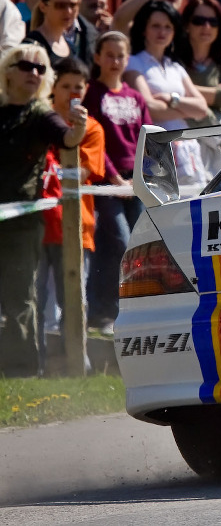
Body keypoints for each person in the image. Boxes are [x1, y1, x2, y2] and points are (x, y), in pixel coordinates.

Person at [0, 43, 88, 377]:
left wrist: (78, 127)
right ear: (8, 72)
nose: (34, 74)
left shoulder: (40, 113)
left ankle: (21, 371)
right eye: (26, 66)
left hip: (21, 223)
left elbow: (67, 139)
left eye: (40, 69)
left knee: (19, 300)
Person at [36, 56, 105, 360]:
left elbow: (81, 172)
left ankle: (77, 362)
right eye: (66, 86)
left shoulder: (93, 128)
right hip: (38, 224)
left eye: (79, 87)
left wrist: (74, 132)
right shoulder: (38, 122)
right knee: (35, 298)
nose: (73, 93)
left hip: (76, 226)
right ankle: (35, 361)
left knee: (74, 300)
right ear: (53, 87)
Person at [83, 31, 150, 330]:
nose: (114, 61)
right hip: (106, 184)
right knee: (118, 241)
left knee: (138, 247)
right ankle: (102, 310)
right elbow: (94, 141)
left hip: (136, 183)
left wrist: (142, 177)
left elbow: (148, 138)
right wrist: (115, 179)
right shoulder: (92, 93)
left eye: (120, 55)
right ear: (97, 57)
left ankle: (129, 310)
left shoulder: (135, 97)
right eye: (108, 55)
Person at [125, 0, 211, 186]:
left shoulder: (176, 68)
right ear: (143, 29)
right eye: (155, 26)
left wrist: (171, 99)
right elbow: (150, 108)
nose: (162, 32)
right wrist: (187, 109)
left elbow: (202, 108)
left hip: (187, 149)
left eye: (167, 27)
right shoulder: (133, 63)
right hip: (156, 151)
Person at [179, 0, 221, 175]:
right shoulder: (175, 59)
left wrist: (184, 92)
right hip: (183, 143)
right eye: (199, 21)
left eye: (213, 22)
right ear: (186, 25)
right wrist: (216, 92)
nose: (206, 27)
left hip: (218, 142)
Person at [24, 0, 80, 66]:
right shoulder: (31, 45)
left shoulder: (71, 47)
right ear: (43, 7)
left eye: (73, 5)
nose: (68, 11)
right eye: (60, 5)